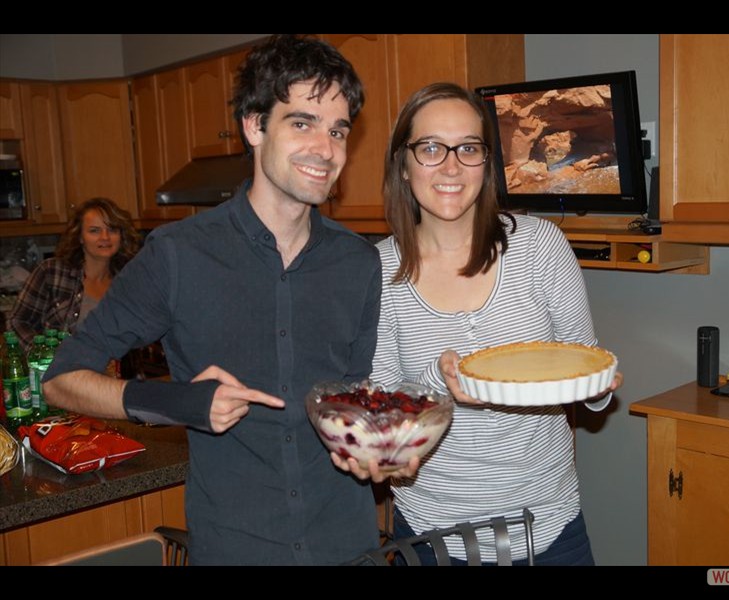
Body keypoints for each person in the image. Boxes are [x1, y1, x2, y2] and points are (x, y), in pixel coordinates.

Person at [43, 35, 383, 565]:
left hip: (346, 544)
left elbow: (355, 398)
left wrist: (376, 445)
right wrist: (177, 402)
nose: (326, 148)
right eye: (302, 123)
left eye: (338, 130)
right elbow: (61, 379)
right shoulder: (177, 255)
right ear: (254, 125)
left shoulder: (359, 261)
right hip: (237, 547)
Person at [365, 82, 620, 565]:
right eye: (431, 148)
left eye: (468, 148)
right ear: (403, 163)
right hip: (433, 538)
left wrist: (598, 386)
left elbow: (585, 369)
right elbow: (383, 411)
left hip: (549, 528)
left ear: (487, 161)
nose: (452, 166)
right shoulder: (375, 273)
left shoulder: (540, 247)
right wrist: (437, 381)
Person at [9, 197, 139, 352]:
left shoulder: (129, 280)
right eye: (94, 230)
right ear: (80, 237)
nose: (105, 237)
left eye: (112, 229)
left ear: (121, 235)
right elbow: (17, 321)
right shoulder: (52, 272)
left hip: (112, 372)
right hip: (60, 373)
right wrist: (47, 356)